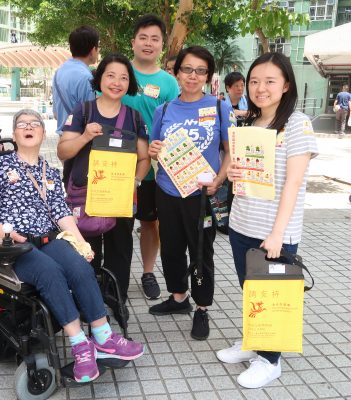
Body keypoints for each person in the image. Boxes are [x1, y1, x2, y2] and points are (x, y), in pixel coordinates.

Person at [0, 109, 144, 383]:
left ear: (42, 133)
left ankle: (104, 336)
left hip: (48, 237)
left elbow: (62, 214)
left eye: (34, 124)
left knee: (81, 266)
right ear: (15, 133)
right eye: (22, 124)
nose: (29, 127)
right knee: (50, 272)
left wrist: (82, 243)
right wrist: (5, 235)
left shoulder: (49, 170)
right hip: (16, 245)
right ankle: (80, 345)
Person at [217, 52, 318, 389]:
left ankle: (270, 361)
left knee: (271, 296)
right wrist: (232, 172)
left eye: (270, 81)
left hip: (274, 232)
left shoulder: (298, 124)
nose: (260, 88)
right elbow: (247, 175)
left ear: (286, 84)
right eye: (255, 81)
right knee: (250, 290)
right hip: (242, 223)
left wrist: (277, 234)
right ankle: (253, 341)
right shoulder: (251, 123)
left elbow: (293, 183)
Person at [147, 46, 233, 340]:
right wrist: (153, 150)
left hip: (201, 196)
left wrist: (219, 180)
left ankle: (202, 309)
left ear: (208, 76)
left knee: (200, 251)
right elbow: (154, 148)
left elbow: (230, 151)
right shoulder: (165, 110)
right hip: (167, 190)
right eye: (187, 69)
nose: (193, 76)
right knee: (170, 248)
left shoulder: (220, 108)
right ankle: (178, 297)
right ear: (176, 72)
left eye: (200, 71)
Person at [57, 53, 150, 322]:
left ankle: (116, 299)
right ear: (100, 78)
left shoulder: (134, 117)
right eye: (111, 75)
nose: (117, 82)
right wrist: (86, 135)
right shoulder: (83, 111)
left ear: (129, 83)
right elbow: (63, 151)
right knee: (88, 252)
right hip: (85, 196)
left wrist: (134, 182)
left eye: (123, 77)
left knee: (120, 250)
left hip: (120, 198)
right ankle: (90, 303)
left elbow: (144, 158)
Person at [121, 14, 180, 300]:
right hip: (114, 167)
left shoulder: (168, 83)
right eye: (143, 37)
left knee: (149, 222)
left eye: (154, 38)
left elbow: (175, 124)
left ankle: (147, 272)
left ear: (162, 44)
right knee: (113, 223)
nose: (148, 43)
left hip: (153, 170)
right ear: (133, 42)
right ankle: (113, 276)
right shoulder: (118, 72)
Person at [52, 26, 99, 136]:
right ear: (93, 50)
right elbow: (90, 118)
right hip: (78, 140)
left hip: (63, 137)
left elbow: (55, 114)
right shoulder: (86, 77)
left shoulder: (59, 72)